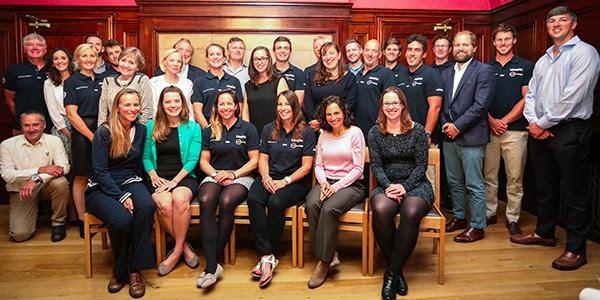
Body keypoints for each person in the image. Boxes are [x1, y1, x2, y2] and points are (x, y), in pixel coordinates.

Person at [512, 6, 600, 271]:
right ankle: (544, 232)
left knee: (574, 191)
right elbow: (532, 94)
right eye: (552, 21)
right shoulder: (544, 59)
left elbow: (572, 97)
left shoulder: (586, 54)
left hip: (571, 130)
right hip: (540, 128)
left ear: (573, 24)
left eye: (562, 20)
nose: (556, 24)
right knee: (545, 185)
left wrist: (542, 122)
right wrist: (533, 121)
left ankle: (575, 249)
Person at [85, 89, 155, 298]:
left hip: (129, 180)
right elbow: (99, 171)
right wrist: (122, 196)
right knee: (122, 220)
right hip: (100, 186)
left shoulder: (141, 130)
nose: (133, 109)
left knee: (147, 206)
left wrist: (145, 187)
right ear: (117, 108)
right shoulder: (104, 132)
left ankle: (135, 270)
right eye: (127, 105)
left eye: (136, 105)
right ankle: (120, 270)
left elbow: (137, 165)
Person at [368, 87, 433, 299]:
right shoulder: (375, 132)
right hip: (387, 184)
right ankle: (398, 272)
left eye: (395, 103)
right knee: (380, 208)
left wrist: (405, 187)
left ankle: (391, 274)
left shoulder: (418, 131)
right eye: (387, 104)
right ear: (382, 107)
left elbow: (421, 165)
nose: (391, 107)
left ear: (402, 105)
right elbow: (376, 166)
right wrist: (388, 186)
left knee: (411, 212)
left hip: (415, 184)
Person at [247, 90, 316, 287]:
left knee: (275, 202)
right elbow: (263, 159)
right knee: (254, 199)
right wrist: (266, 177)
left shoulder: (307, 132)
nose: (283, 108)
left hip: (294, 182)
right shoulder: (268, 129)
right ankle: (267, 255)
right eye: (280, 104)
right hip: (270, 177)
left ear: (296, 108)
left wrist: (284, 181)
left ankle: (267, 254)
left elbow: (306, 167)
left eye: (288, 104)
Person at [197, 90, 259, 289]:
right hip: (214, 174)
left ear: (236, 106)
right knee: (206, 199)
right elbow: (203, 161)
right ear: (216, 107)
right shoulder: (209, 130)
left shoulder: (248, 128)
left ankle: (211, 265)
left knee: (226, 201)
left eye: (229, 103)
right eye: (221, 104)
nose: (225, 107)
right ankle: (213, 266)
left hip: (242, 176)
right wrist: (216, 174)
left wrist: (233, 175)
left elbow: (255, 161)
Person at [305, 96, 366, 289]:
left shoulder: (355, 133)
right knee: (312, 204)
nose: (333, 118)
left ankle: (323, 262)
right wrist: (323, 184)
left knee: (329, 208)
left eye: (336, 113)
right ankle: (330, 254)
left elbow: (358, 169)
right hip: (327, 182)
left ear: (344, 113)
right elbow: (319, 164)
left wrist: (335, 187)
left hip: (351, 185)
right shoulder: (323, 134)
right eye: (328, 114)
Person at [441, 31, 495, 243]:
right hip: (449, 137)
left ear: (474, 48)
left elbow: (481, 105)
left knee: (474, 183)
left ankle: (478, 226)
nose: (460, 48)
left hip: (471, 137)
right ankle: (460, 217)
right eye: (457, 45)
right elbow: (443, 103)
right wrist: (447, 124)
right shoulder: (446, 73)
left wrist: (458, 126)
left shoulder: (484, 71)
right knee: (454, 181)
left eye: (465, 45)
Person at [143, 86, 201, 276]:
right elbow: (145, 157)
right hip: (158, 178)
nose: (172, 105)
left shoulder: (193, 127)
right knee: (164, 204)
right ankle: (183, 247)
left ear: (182, 103)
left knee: (180, 200)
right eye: (168, 101)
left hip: (183, 177)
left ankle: (175, 253)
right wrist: (153, 176)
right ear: (162, 104)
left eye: (176, 101)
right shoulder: (151, 126)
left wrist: (174, 181)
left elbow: (193, 159)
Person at [484, 23, 534, 236]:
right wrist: (492, 121)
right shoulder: (485, 68)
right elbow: (479, 100)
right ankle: (489, 212)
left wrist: (503, 120)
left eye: (507, 39)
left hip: (516, 130)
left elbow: (527, 98)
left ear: (514, 40)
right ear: (494, 42)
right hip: (488, 129)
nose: (503, 43)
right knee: (489, 176)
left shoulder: (525, 66)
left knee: (515, 177)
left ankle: (513, 218)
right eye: (499, 39)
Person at [0, 112, 70, 242]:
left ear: (43, 125)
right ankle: (34, 213)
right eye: (26, 125)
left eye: (35, 125)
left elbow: (64, 167)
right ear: (21, 127)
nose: (31, 129)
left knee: (61, 183)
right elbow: (7, 175)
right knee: (19, 235)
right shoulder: (7, 145)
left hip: (45, 185)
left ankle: (58, 223)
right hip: (22, 190)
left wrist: (36, 178)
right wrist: (40, 169)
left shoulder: (54, 141)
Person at [64, 43, 104, 237]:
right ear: (77, 59)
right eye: (84, 56)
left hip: (103, 129)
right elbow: (71, 114)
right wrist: (91, 136)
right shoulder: (71, 81)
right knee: (82, 176)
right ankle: (82, 220)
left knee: (101, 172)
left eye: (92, 55)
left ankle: (100, 215)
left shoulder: (104, 80)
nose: (89, 59)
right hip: (82, 133)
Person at [395, 34, 443, 144]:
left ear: (424, 54)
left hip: (422, 136)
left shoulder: (431, 74)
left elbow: (435, 107)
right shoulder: (400, 75)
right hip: (402, 134)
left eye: (417, 50)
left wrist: (426, 133)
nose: (412, 54)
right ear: (405, 53)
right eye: (410, 49)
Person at [303, 42, 357, 131]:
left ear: (339, 55)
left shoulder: (350, 78)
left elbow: (349, 104)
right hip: (316, 127)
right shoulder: (311, 75)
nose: (328, 57)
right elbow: (308, 102)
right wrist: (317, 121)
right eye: (324, 54)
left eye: (331, 53)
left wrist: (330, 120)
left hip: (340, 126)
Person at [3, 33, 49, 134]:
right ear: (24, 49)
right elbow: (9, 99)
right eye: (30, 45)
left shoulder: (53, 69)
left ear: (45, 49)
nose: (35, 48)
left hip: (51, 125)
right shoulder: (14, 70)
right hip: (23, 127)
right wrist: (22, 116)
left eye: (39, 45)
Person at [191, 43, 243, 128]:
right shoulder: (199, 81)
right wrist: (208, 130)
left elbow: (239, 109)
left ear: (224, 59)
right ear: (207, 59)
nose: (215, 57)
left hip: (231, 129)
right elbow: (197, 111)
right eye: (211, 54)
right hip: (208, 128)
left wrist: (232, 129)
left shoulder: (234, 81)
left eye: (218, 54)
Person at [98, 47, 153, 125]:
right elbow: (102, 111)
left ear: (137, 67)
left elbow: (147, 111)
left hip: (135, 129)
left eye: (131, 63)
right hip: (112, 129)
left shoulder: (142, 80)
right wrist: (102, 130)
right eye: (123, 60)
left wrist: (136, 131)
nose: (126, 65)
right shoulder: (108, 81)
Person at [353, 39, 395, 137]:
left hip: (378, 130)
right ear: (362, 52)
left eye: (374, 51)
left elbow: (391, 103)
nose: (370, 54)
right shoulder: (356, 75)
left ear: (380, 55)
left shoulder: (386, 74)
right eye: (367, 50)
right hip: (356, 130)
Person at [242, 46, 289, 135]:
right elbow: (245, 112)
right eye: (256, 59)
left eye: (263, 58)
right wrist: (248, 133)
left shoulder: (279, 81)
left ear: (269, 60)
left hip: (276, 132)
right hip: (254, 134)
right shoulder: (248, 85)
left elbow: (285, 109)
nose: (259, 62)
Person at [43, 47, 75, 156]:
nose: (60, 61)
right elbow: (52, 110)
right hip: (62, 125)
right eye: (56, 59)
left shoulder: (79, 78)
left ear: (69, 60)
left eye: (63, 58)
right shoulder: (49, 83)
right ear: (52, 63)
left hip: (80, 122)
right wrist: (66, 131)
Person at [150, 49, 194, 121]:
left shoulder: (187, 83)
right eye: (172, 60)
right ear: (164, 62)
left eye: (179, 61)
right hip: (160, 124)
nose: (175, 64)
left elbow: (189, 109)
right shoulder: (154, 82)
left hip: (183, 124)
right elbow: (154, 109)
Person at [273, 36, 305, 106]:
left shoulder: (299, 73)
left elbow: (299, 102)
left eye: (286, 48)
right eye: (279, 48)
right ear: (274, 52)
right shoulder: (267, 72)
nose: (282, 51)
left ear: (290, 52)